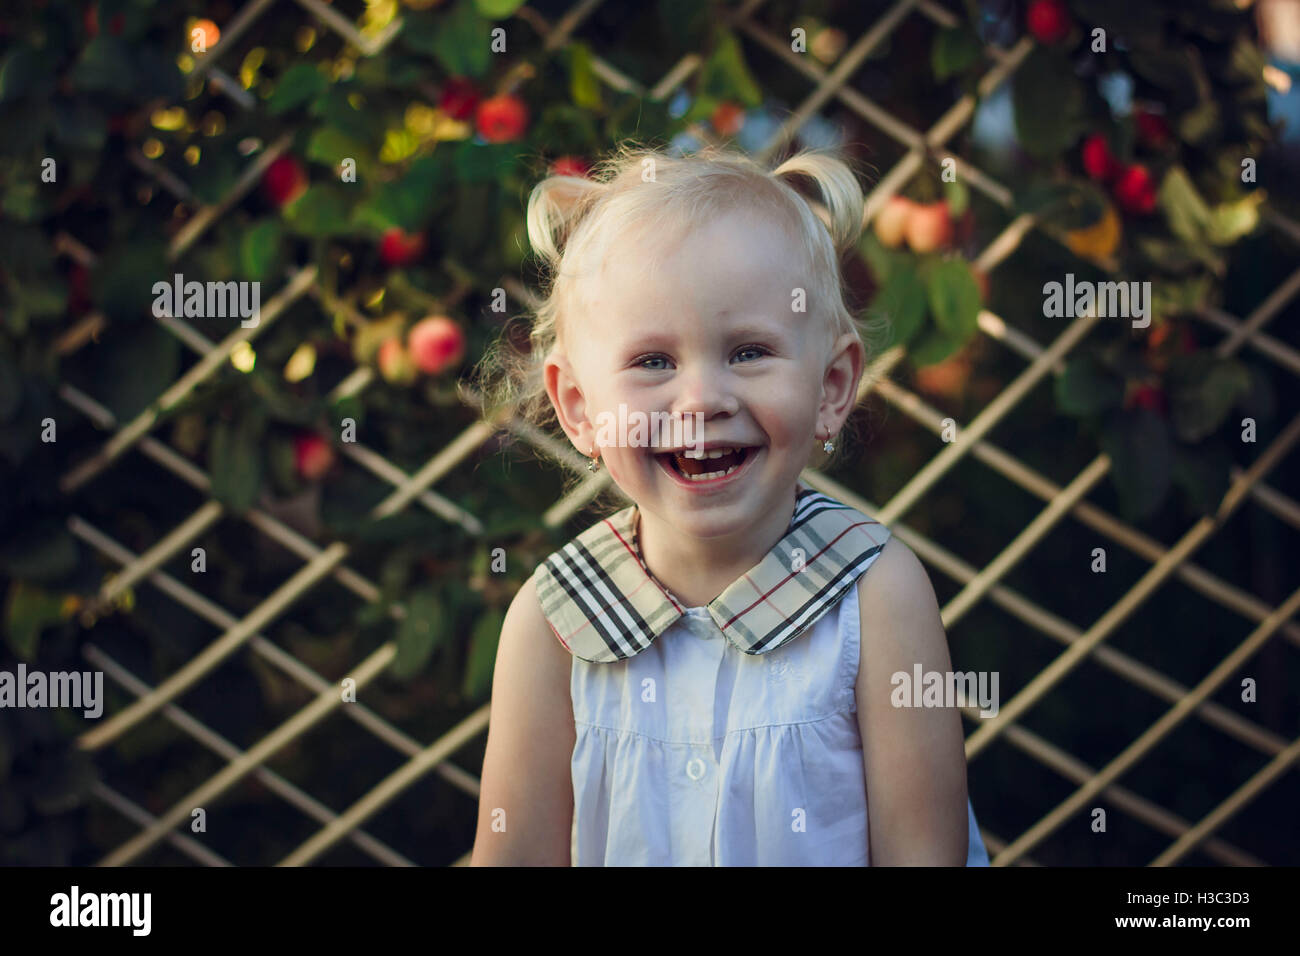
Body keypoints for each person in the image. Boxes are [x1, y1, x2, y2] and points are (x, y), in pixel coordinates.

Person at [467, 141, 991, 866]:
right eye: (653, 362)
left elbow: (924, 854)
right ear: (580, 408)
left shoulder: (875, 596)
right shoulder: (554, 621)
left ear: (832, 388)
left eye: (748, 351)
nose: (704, 400)